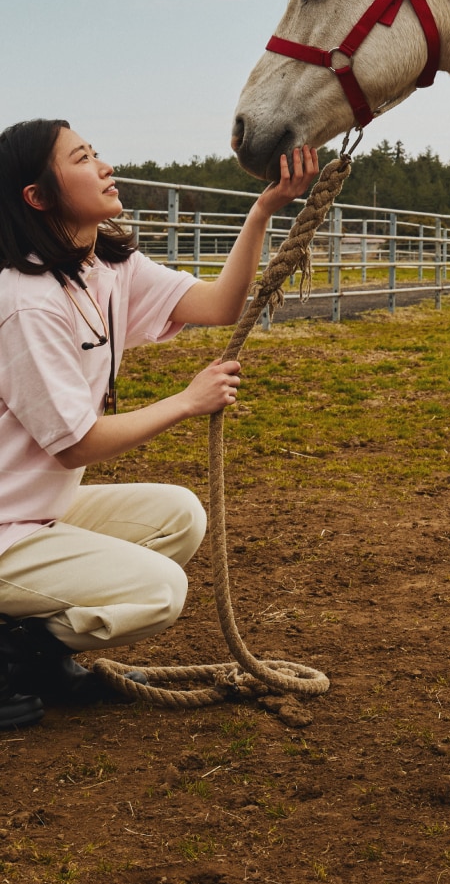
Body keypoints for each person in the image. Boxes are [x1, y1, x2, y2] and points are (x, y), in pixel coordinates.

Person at [0, 118, 317, 729]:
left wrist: (264, 210)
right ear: (37, 197)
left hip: (36, 509)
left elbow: (221, 305)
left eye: (96, 152)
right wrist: (186, 400)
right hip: (8, 521)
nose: (104, 166)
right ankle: (14, 655)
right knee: (159, 592)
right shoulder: (26, 301)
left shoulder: (105, 267)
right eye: (82, 159)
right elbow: (76, 446)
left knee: (179, 516)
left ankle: (34, 649)